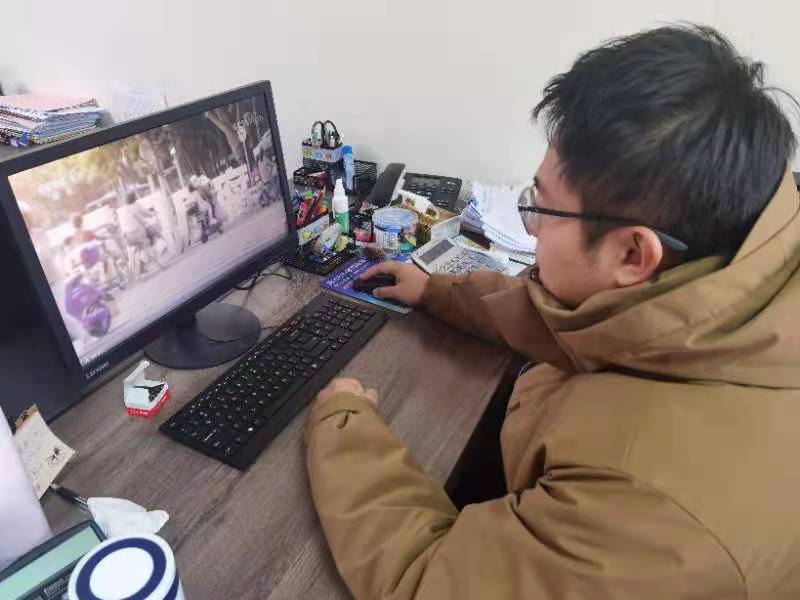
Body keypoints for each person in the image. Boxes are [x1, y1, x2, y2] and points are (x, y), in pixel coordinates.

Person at [304, 25, 800, 599]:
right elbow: (568, 319)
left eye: (541, 207)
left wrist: (343, 424)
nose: (532, 227)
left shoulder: (652, 513)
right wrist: (436, 291)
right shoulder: (733, 282)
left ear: (632, 254)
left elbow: (427, 582)